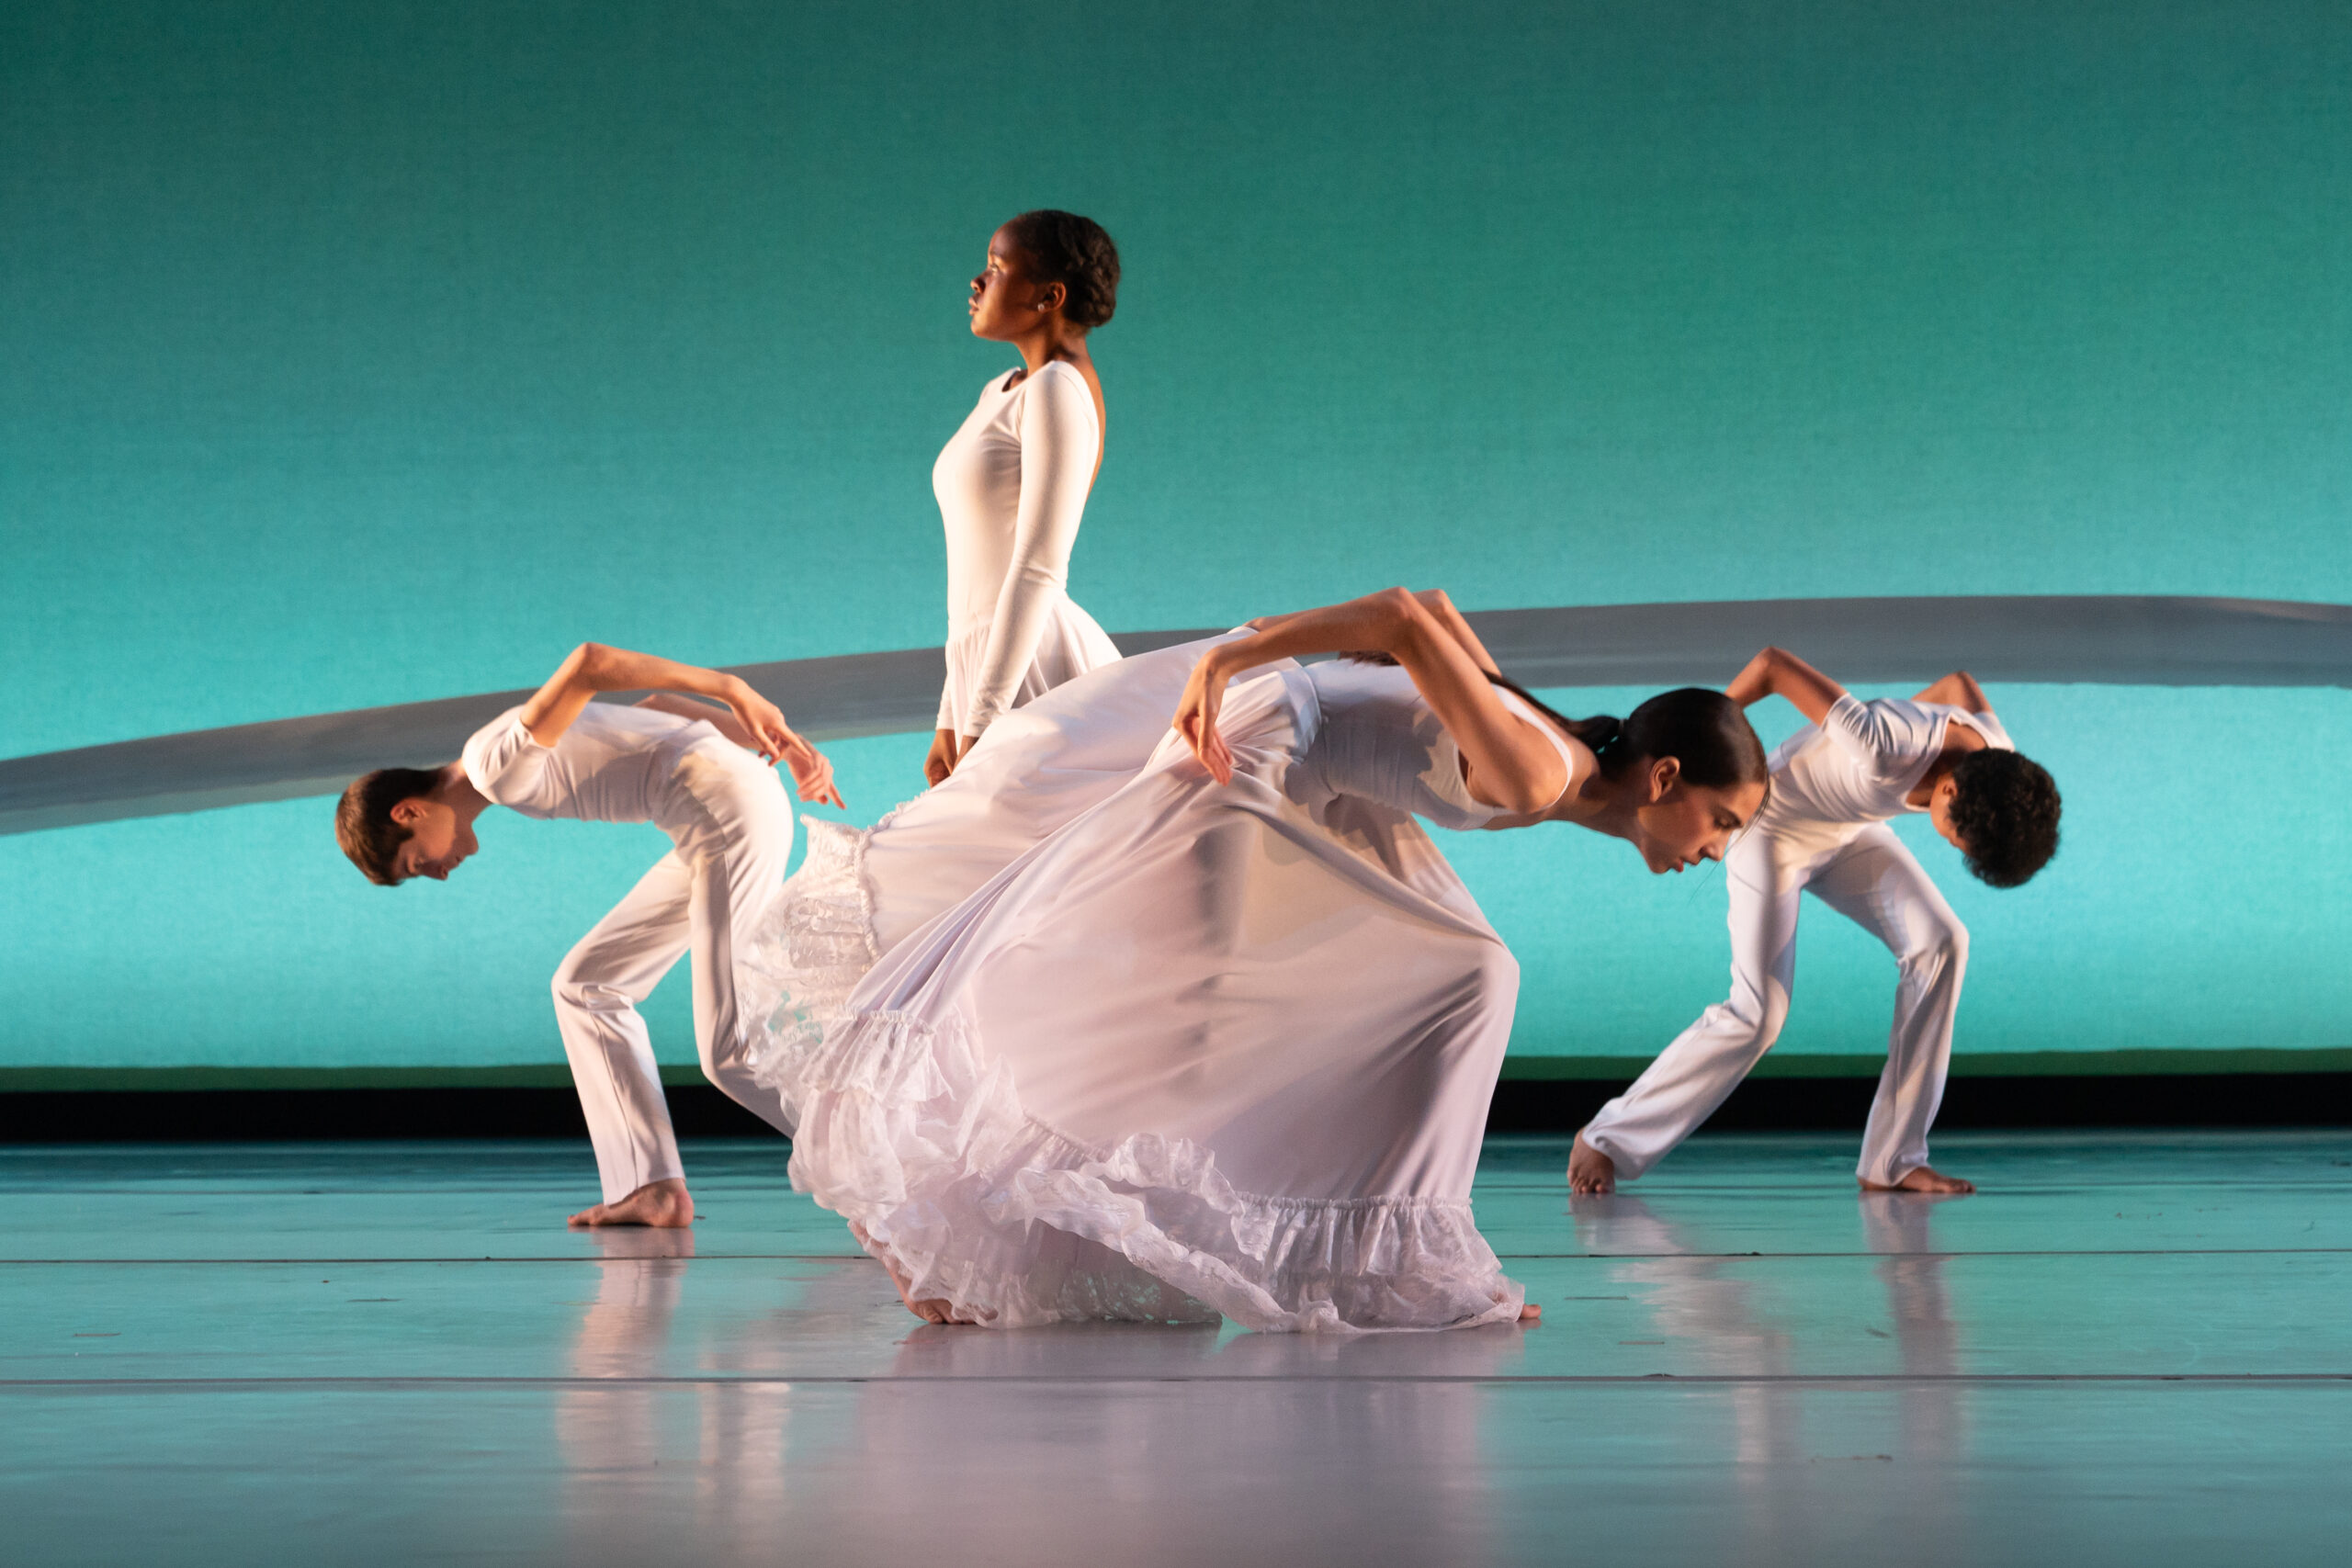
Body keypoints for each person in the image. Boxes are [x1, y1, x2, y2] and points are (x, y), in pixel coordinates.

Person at [747, 589, 1770, 1332]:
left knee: (1465, 971)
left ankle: (1391, 1254)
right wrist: (1231, 660)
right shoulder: (1543, 770)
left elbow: (1433, 611)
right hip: (1260, 750)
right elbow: (1406, 620)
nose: (1715, 850)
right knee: (1172, 999)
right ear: (1665, 776)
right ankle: (914, 1216)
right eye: (1720, 821)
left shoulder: (1549, 746)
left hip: (1300, 760)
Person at [334, 642, 842, 1227]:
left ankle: (885, 1172)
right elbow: (658, 706)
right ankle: (651, 1185)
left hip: (725, 813)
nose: (439, 873)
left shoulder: (492, 767)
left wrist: (734, 689)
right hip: (716, 813)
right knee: (585, 985)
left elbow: (590, 663)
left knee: (732, 1052)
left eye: (417, 864)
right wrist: (791, 749)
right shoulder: (493, 756)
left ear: (407, 814)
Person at [1569, 646, 2062, 1198]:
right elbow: (1773, 666)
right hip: (1772, 826)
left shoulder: (1999, 755)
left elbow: (1958, 684)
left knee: (1943, 943)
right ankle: (1606, 1137)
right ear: (1950, 788)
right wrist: (1706, 742)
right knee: (1760, 1013)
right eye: (1954, 834)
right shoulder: (1882, 744)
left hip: (1848, 830)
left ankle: (1892, 1160)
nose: (1948, 841)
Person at [926, 209, 1125, 787]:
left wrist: (985, 718)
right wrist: (951, 710)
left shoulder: (1057, 389)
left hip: (1032, 675)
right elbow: (974, 579)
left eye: (996, 267)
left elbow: (1039, 565)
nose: (977, 281)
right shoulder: (1003, 389)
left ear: (1049, 296)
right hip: (988, 671)